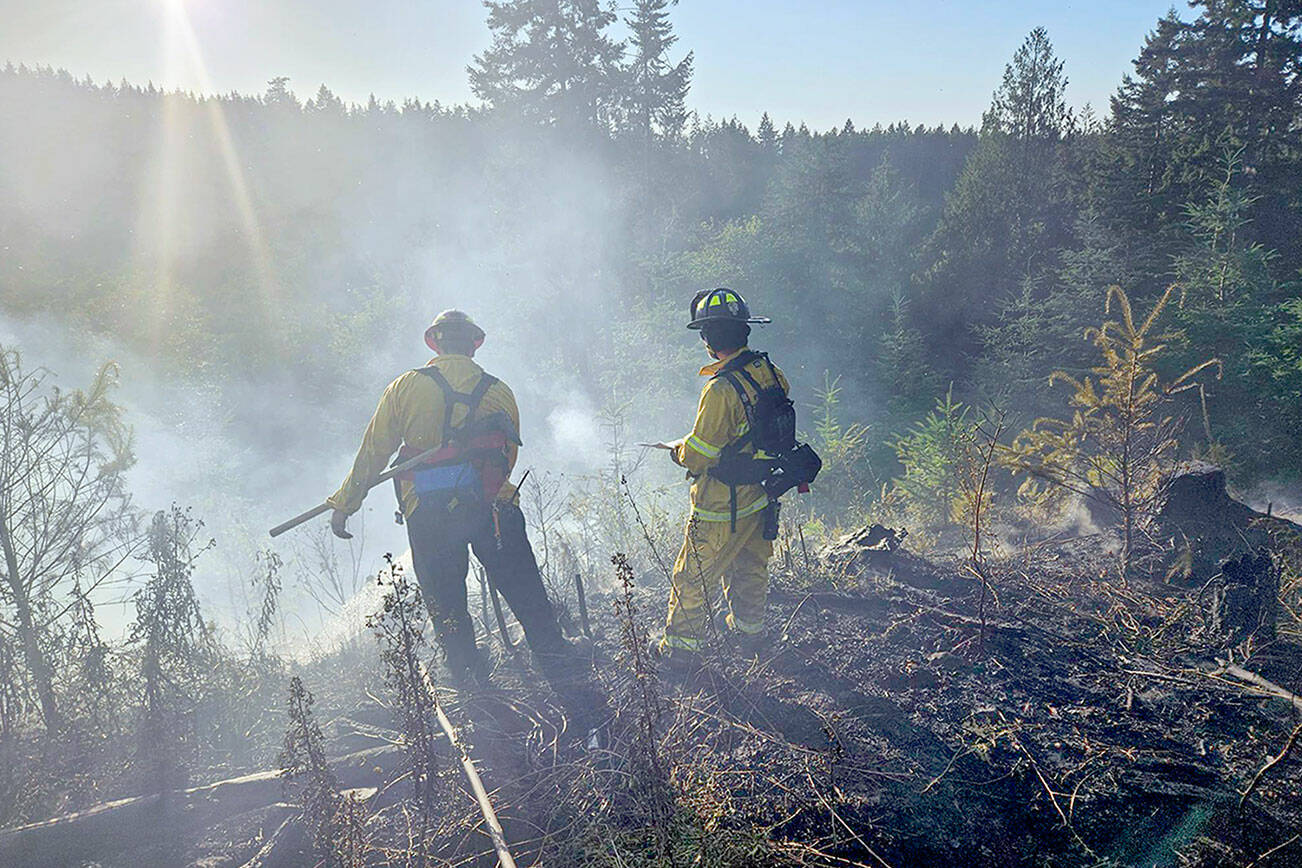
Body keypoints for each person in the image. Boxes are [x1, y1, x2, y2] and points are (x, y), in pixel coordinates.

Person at [327, 310, 575, 682]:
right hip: (494, 509)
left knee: (447, 608)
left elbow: (374, 453)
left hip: (429, 514)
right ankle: (559, 666)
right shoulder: (498, 390)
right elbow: (508, 454)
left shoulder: (405, 387)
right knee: (527, 595)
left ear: (435, 343)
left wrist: (345, 502)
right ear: (473, 345)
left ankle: (471, 683)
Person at [655, 288, 791, 665]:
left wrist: (678, 452)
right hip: (761, 495)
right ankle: (750, 635)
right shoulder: (769, 372)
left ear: (709, 339)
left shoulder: (719, 389)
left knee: (693, 577)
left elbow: (700, 453)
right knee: (750, 567)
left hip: (721, 504)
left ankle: (680, 652)